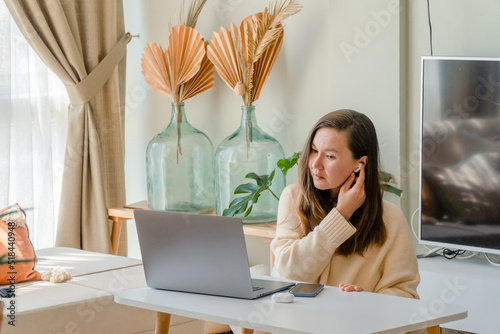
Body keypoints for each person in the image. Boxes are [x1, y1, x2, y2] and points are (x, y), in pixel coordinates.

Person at [270, 109, 419, 298]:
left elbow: (405, 293)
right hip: (300, 323)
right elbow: (286, 275)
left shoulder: (390, 218)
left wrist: (366, 301)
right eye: (314, 150)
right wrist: (341, 216)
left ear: (360, 164)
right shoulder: (293, 197)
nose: (316, 164)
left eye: (330, 156)